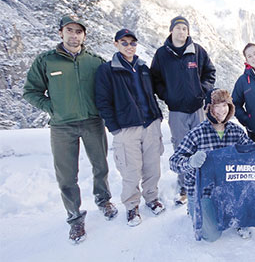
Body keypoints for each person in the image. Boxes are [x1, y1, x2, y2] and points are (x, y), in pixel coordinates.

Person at [23, 15, 117, 244]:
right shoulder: (46, 61)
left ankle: (103, 200)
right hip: (62, 126)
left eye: (78, 31)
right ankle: (74, 216)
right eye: (69, 30)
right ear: (61, 33)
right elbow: (30, 91)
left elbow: (109, 89)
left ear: (84, 35)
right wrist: (51, 108)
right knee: (66, 175)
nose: (74, 35)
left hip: (92, 122)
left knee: (100, 165)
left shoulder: (95, 62)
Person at [169, 88, 255, 242]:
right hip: (204, 191)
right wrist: (190, 162)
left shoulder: (236, 132)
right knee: (212, 236)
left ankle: (240, 218)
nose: (221, 110)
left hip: (229, 187)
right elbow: (174, 162)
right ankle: (195, 208)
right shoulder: (196, 134)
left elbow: (253, 153)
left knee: (248, 182)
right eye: (217, 106)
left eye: (225, 105)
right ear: (209, 108)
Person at [95, 29, 165, 227]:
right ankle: (132, 205)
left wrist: (157, 117)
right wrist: (114, 128)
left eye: (132, 43)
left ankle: (152, 198)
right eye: (124, 43)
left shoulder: (143, 67)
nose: (129, 46)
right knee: (131, 170)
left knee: (153, 166)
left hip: (150, 124)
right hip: (126, 128)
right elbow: (102, 101)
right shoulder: (107, 70)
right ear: (116, 44)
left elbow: (151, 93)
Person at [151, 16, 216, 206]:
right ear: (171, 30)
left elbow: (210, 72)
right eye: (178, 28)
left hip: (197, 109)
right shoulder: (162, 54)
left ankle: (204, 179)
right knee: (181, 147)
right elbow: (155, 79)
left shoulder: (197, 51)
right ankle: (185, 186)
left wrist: (202, 91)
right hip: (177, 111)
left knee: (203, 144)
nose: (182, 32)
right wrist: (167, 95)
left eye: (185, 29)